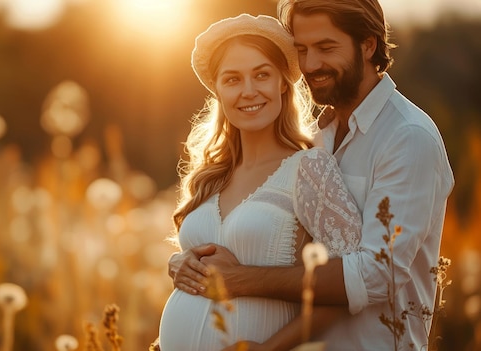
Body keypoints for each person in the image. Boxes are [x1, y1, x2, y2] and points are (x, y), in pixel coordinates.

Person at [169, 1, 455, 350]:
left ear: (368, 44)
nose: (310, 65)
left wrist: (240, 281)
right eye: (301, 50)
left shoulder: (407, 136)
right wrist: (183, 264)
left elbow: (377, 274)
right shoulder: (322, 136)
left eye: (326, 47)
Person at [158, 13, 363, 351]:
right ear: (218, 90)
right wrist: (178, 265)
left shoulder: (310, 167)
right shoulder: (211, 174)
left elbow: (343, 289)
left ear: (284, 82)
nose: (248, 91)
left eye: (262, 75)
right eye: (233, 79)